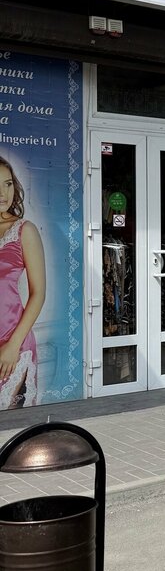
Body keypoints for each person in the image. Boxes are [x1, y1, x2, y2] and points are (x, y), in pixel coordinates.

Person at [0, 156, 45, 408]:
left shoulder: (23, 230)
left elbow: (38, 293)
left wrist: (13, 345)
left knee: (11, 421)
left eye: (7, 184)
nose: (3, 193)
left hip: (12, 340)